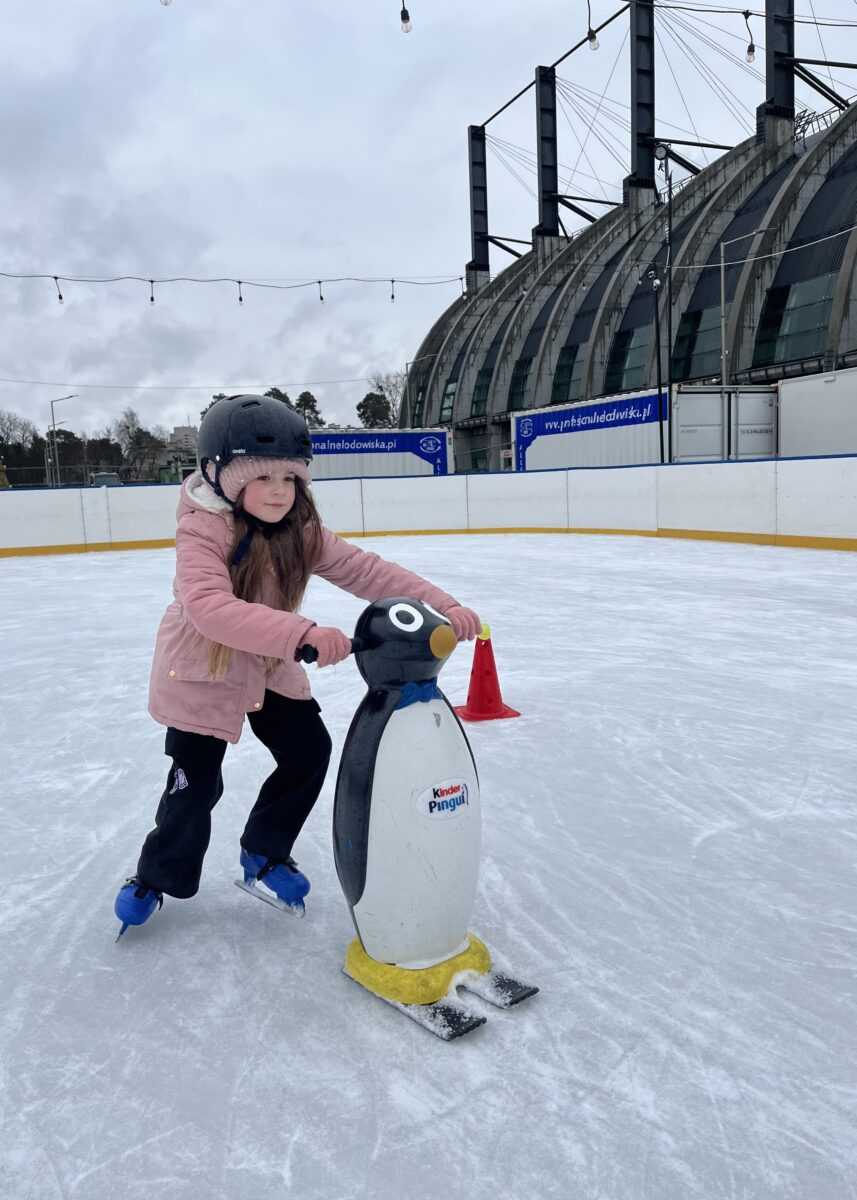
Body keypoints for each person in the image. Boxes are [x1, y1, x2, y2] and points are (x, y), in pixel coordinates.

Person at [114, 394, 480, 935]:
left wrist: (441, 605)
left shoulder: (299, 529)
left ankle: (263, 851)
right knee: (196, 785)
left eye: (291, 477)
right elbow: (208, 607)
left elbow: (367, 571)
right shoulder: (202, 529)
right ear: (220, 476)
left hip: (268, 662)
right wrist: (302, 634)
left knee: (309, 751)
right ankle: (155, 875)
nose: (280, 490)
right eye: (263, 477)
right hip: (204, 668)